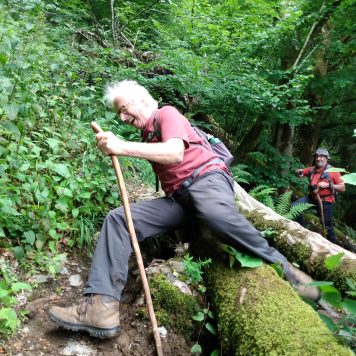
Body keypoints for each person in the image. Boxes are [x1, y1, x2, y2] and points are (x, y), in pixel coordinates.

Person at [48, 80, 319, 339]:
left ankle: (285, 269)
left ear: (139, 100)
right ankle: (100, 307)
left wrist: (122, 146)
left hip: (206, 181)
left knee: (214, 214)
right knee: (118, 219)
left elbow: (175, 153)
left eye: (122, 109)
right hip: (180, 200)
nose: (121, 118)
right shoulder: (148, 134)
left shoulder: (167, 113)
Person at [293, 148, 345, 243]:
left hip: (326, 201)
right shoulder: (313, 169)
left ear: (327, 158)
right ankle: (302, 232)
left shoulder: (333, 171)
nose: (318, 158)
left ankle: (333, 247)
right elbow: (299, 171)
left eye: (321, 156)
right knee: (295, 207)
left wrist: (329, 185)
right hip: (312, 198)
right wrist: (298, 172)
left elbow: (342, 188)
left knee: (327, 226)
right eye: (317, 156)